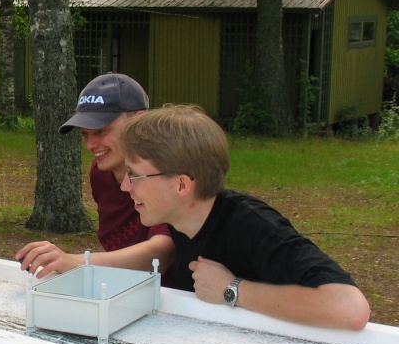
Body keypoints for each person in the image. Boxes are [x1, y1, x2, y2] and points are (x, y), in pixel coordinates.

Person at [118, 104, 370, 330]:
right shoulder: (182, 220)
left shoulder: (253, 227)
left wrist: (232, 289)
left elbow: (349, 308)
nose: (125, 186)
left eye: (134, 175)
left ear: (182, 185)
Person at [16, 73, 175, 280]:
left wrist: (77, 262)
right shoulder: (101, 173)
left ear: (138, 121)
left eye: (101, 131)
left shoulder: (165, 173)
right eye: (85, 134)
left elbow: (163, 252)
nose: (90, 145)